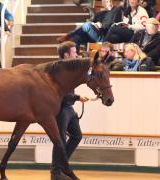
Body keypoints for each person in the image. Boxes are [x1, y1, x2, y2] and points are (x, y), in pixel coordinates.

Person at [51, 41, 89, 180]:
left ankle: (60, 167)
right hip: (61, 109)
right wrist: (78, 97)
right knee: (59, 140)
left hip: (68, 107)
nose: (77, 54)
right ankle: (56, 172)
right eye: (74, 52)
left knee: (76, 136)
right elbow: (61, 92)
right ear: (66, 55)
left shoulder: (69, 68)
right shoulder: (58, 69)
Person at [57, 0, 122, 52]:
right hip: (95, 34)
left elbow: (114, 25)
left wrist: (101, 25)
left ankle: (68, 36)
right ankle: (75, 57)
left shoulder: (116, 10)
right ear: (103, 2)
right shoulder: (102, 13)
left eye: (110, 1)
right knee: (77, 37)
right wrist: (95, 23)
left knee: (87, 25)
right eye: (106, 1)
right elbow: (92, 21)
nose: (109, 3)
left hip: (104, 37)